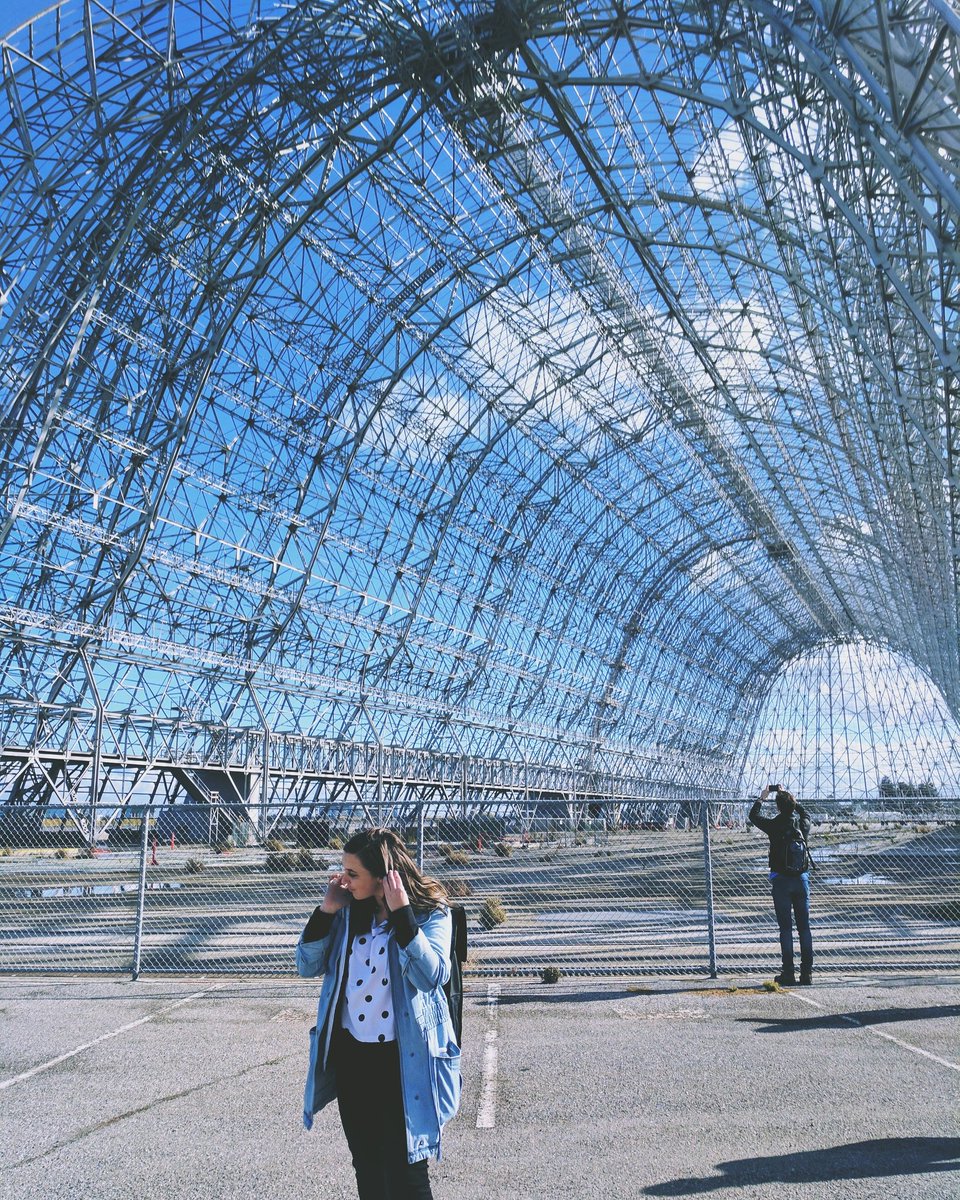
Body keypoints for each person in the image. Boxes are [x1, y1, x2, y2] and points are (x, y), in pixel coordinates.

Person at [296, 827, 461, 1200]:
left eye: (353, 874)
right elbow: (306, 965)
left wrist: (403, 915)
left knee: (407, 1175)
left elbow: (431, 974)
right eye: (344, 871)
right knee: (367, 1166)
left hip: (403, 1062)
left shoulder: (431, 912)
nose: (344, 880)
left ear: (384, 875)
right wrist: (326, 909)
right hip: (353, 1059)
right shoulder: (348, 914)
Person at [748, 785, 813, 986]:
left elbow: (753, 817)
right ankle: (807, 973)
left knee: (786, 929)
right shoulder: (802, 824)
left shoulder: (774, 824)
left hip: (781, 881)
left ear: (777, 806)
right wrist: (791, 798)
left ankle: (788, 973)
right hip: (801, 879)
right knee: (804, 928)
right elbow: (806, 814)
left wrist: (762, 797)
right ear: (793, 804)